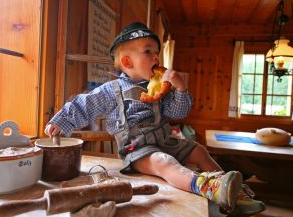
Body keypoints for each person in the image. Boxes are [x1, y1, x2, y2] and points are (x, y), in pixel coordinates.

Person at [45, 22, 265, 216]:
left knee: (199, 150)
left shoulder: (160, 87)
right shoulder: (111, 91)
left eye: (157, 52)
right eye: (148, 51)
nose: (156, 57)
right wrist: (61, 121)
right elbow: (85, 104)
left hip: (166, 142)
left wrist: (180, 88)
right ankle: (206, 186)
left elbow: (178, 113)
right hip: (138, 151)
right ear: (127, 62)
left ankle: (234, 192)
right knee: (163, 162)